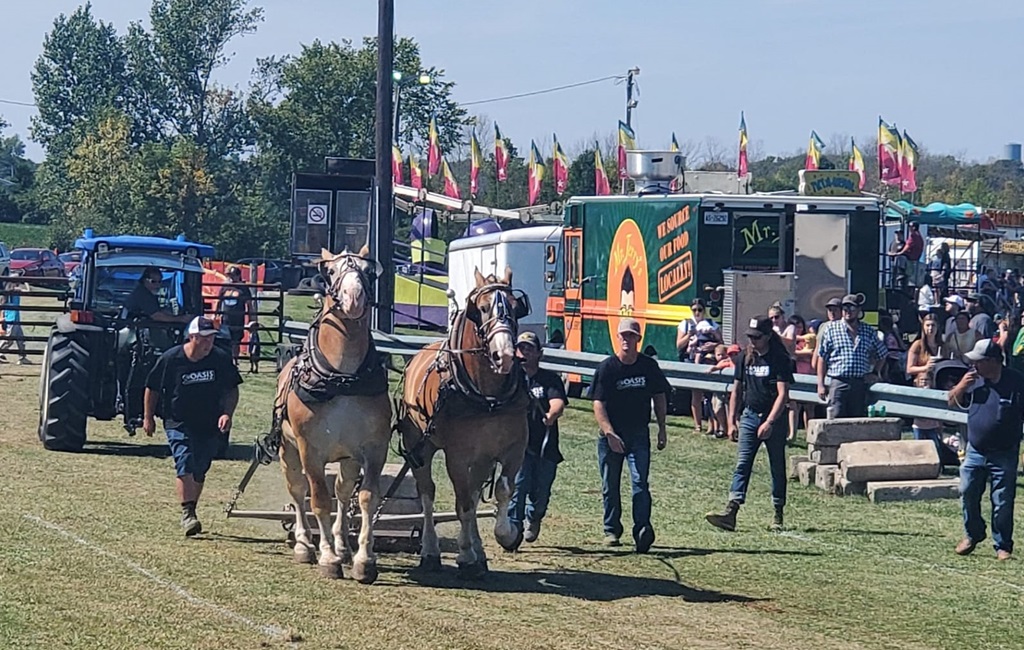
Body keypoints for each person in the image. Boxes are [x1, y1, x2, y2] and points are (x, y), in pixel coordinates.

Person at [144, 316, 242, 536]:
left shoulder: (219, 358)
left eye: (212, 339)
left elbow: (231, 389)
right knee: (185, 461)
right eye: (205, 338)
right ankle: (187, 513)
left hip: (208, 422)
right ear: (192, 337)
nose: (209, 343)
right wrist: (148, 417)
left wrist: (227, 413)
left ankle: (192, 510)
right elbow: (152, 388)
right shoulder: (172, 358)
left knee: (200, 468)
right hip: (178, 421)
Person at [705, 316, 794, 532]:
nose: (753, 341)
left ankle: (778, 512)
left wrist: (770, 422)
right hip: (749, 416)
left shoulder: (779, 359)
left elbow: (783, 395)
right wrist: (732, 420)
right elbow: (737, 389)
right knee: (742, 463)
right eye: (751, 337)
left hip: (773, 418)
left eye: (757, 337)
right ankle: (731, 510)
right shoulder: (745, 357)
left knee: (776, 466)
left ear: (768, 336)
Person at [592, 317, 671, 553]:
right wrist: (609, 433)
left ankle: (642, 529)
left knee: (640, 482)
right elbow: (598, 404)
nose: (627, 340)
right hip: (611, 435)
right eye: (623, 335)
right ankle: (612, 530)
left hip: (638, 434)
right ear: (618, 338)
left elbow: (659, 395)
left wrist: (662, 427)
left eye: (632, 336)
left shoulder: (648, 366)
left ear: (638, 339)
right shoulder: (607, 368)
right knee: (610, 485)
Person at [947, 339, 1022, 561]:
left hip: (1004, 452)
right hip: (975, 450)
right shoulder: (974, 380)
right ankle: (973, 534)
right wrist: (962, 386)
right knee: (968, 491)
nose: (975, 366)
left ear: (992, 361)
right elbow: (951, 401)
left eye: (979, 361)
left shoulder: (1016, 382)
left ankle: (1002, 546)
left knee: (1002, 500)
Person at [508, 331, 568, 544]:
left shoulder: (549, 379)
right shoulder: (509, 378)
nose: (524, 352)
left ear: (539, 353)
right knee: (518, 486)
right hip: (518, 446)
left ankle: (534, 517)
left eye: (529, 349)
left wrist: (552, 414)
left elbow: (558, 401)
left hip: (544, 445)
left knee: (541, 491)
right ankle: (513, 530)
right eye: (521, 348)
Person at [816, 294, 887, 419]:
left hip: (860, 382)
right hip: (839, 381)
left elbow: (882, 353)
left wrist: (875, 372)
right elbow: (822, 357)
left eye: (852, 308)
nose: (848, 311)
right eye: (845, 308)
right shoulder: (831, 329)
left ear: (859, 310)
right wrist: (820, 384)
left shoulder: (868, 330)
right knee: (836, 418)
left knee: (856, 420)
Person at [906, 313, 957, 466]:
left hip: (938, 386)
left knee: (938, 424)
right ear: (923, 327)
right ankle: (920, 460)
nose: (930, 329)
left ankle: (938, 457)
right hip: (922, 386)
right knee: (922, 421)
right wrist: (926, 367)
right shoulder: (917, 345)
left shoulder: (943, 345)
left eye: (933, 325)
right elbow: (909, 369)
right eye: (927, 325)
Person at [676, 299, 721, 433]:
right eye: (694, 309)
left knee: (710, 394)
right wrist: (690, 335)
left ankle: (713, 425)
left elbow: (722, 344)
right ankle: (698, 425)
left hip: (708, 360)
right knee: (696, 393)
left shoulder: (712, 324)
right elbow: (678, 345)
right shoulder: (685, 324)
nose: (697, 312)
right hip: (692, 360)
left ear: (704, 310)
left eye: (700, 309)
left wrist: (714, 344)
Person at [125, 267, 192, 324]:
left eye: (159, 281)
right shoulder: (142, 294)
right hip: (131, 328)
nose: (157, 285)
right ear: (145, 280)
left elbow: (157, 311)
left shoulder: (149, 293)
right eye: (153, 281)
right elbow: (157, 316)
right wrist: (181, 319)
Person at [217, 266, 255, 362]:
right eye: (229, 275)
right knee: (225, 340)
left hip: (238, 319)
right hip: (225, 318)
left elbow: (249, 304)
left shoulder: (244, 288)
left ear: (238, 276)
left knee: (236, 341)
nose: (231, 278)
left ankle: (235, 361)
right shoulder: (225, 287)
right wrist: (216, 314)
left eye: (233, 275)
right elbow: (219, 301)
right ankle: (226, 360)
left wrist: (251, 318)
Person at [707, 344, 739, 439]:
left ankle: (737, 433)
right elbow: (717, 367)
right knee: (718, 409)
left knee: (736, 415)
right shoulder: (727, 362)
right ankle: (725, 430)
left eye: (735, 354)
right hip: (725, 391)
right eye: (731, 354)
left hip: (738, 393)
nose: (733, 356)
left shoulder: (743, 363)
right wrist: (713, 369)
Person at [0, 281, 30, 365]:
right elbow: (28, 291)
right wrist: (26, 283)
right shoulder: (14, 290)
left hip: (15, 318)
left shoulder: (8, 292)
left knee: (20, 339)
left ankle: (22, 357)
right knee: (9, 339)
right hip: (12, 318)